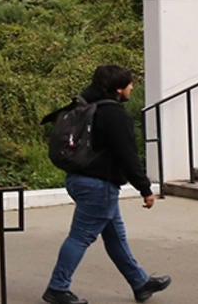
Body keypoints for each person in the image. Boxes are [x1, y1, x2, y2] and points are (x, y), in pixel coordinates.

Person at [41, 65, 171, 304]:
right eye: (130, 84)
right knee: (80, 237)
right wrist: (145, 188)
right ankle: (57, 288)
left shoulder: (87, 105)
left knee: (115, 237)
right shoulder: (114, 114)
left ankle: (140, 283)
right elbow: (127, 155)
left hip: (79, 179)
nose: (133, 87)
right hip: (98, 186)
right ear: (119, 89)